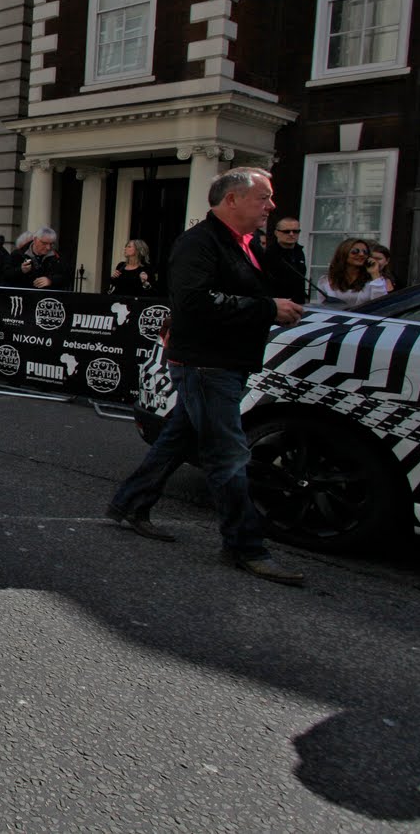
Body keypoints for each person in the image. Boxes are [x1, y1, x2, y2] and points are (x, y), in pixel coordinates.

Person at [106, 166, 306, 585]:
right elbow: (197, 302)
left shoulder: (248, 244)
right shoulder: (197, 244)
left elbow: (275, 287)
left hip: (225, 362)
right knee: (228, 455)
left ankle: (130, 502)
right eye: (263, 197)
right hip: (205, 365)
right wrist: (269, 309)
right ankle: (245, 545)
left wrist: (279, 254)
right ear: (232, 199)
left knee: (181, 437)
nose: (271, 206)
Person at [316, 237, 391, 309]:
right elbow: (322, 307)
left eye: (365, 252)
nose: (361, 254)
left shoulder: (374, 279)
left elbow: (382, 305)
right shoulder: (325, 280)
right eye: (355, 251)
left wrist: (375, 273)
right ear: (343, 253)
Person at [0, 227, 69, 290]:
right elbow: (5, 275)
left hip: (46, 299)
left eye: (51, 244)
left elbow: (67, 277)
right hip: (23, 297)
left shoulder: (58, 257)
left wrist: (51, 280)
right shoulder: (18, 254)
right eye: (44, 243)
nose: (48, 247)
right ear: (35, 240)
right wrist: (20, 270)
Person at [264, 215, 309, 302]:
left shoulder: (299, 252)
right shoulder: (269, 254)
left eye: (296, 231)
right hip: (278, 304)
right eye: (286, 231)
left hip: (299, 303)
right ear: (276, 233)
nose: (291, 234)